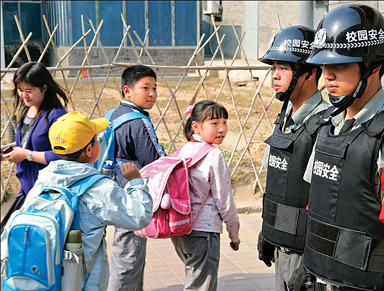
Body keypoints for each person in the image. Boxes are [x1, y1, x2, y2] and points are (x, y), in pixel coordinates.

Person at [299, 4, 384, 291]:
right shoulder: (326, 127)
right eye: (324, 66)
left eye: (341, 65)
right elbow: (318, 206)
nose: (327, 76)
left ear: (374, 66)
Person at [1, 111, 153, 290]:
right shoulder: (100, 188)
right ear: (89, 150)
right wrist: (136, 181)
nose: (99, 143)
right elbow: (139, 216)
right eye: (97, 140)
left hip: (42, 280)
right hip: (83, 283)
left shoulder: (43, 180)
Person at [256, 25, 329, 291]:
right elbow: (279, 183)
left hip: (306, 259)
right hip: (281, 248)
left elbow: (326, 205)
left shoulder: (324, 125)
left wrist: (310, 262)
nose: (275, 76)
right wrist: (268, 230)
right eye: (273, 68)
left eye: (283, 68)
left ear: (309, 72)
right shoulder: (284, 119)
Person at [171, 100, 240, 291]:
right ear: (196, 127)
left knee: (194, 277)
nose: (222, 129)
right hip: (204, 231)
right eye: (214, 123)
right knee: (201, 285)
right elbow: (224, 200)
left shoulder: (182, 150)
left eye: (224, 122)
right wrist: (234, 234)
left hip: (180, 227)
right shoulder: (213, 155)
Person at [108, 65, 166, 291]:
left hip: (114, 189)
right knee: (128, 257)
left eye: (154, 88)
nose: (152, 94)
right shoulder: (138, 122)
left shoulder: (113, 115)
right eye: (145, 88)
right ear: (127, 91)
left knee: (124, 251)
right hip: (132, 195)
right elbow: (155, 160)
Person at [1, 62, 68, 232]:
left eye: (29, 91)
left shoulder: (56, 115)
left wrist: (26, 155)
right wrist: (8, 149)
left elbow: (63, 155)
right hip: (27, 187)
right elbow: (27, 141)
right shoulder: (27, 109)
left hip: (46, 192)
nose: (24, 95)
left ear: (44, 88)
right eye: (20, 90)